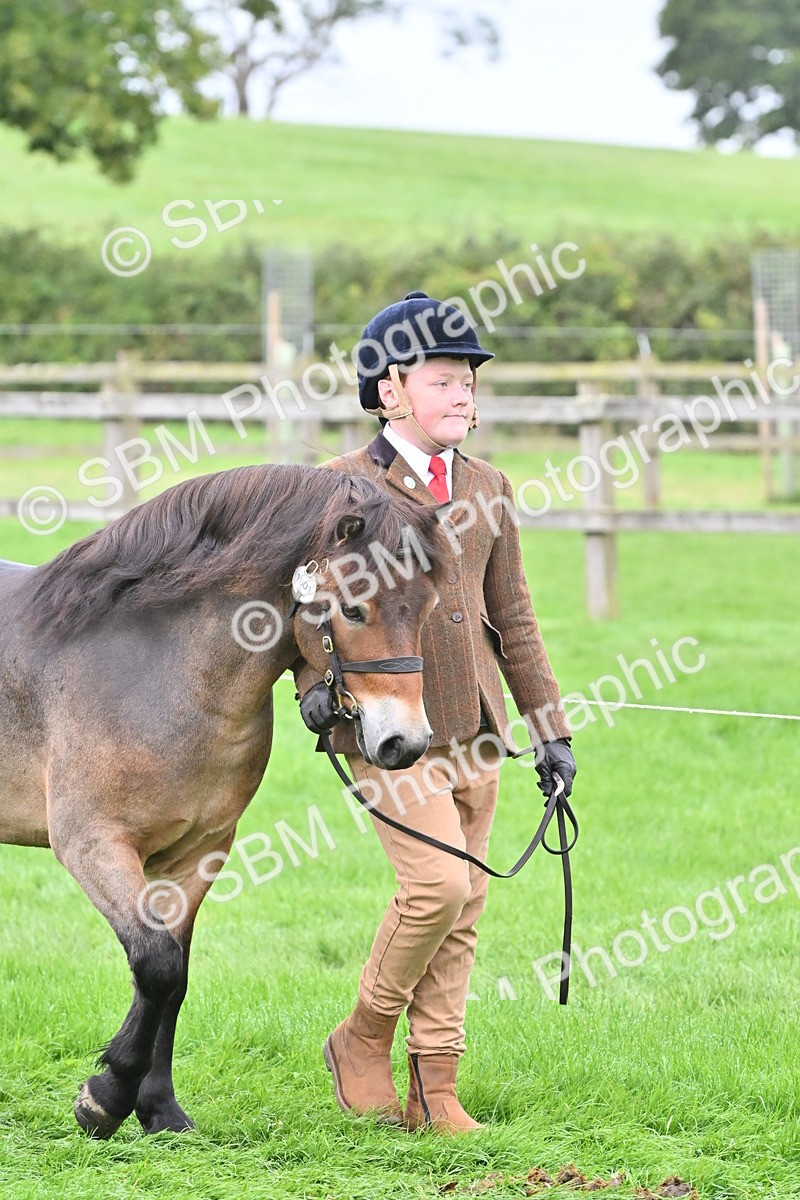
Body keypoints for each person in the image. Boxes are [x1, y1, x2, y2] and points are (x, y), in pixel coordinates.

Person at [292, 291, 576, 1134]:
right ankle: (363, 1035)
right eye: (443, 380)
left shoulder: (489, 486)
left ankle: (436, 1087)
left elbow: (514, 615)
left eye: (468, 381)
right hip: (386, 731)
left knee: (466, 908)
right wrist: (312, 689)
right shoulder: (339, 487)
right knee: (436, 887)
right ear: (390, 392)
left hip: (477, 727)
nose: (463, 394)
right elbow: (308, 608)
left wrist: (550, 730)